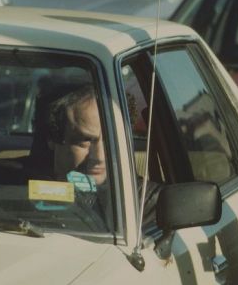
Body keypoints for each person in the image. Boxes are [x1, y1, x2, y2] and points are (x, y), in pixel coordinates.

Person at [34, 84, 161, 225]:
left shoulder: (145, 203)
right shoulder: (17, 185)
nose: (99, 157)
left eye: (112, 140)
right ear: (52, 138)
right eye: (85, 141)